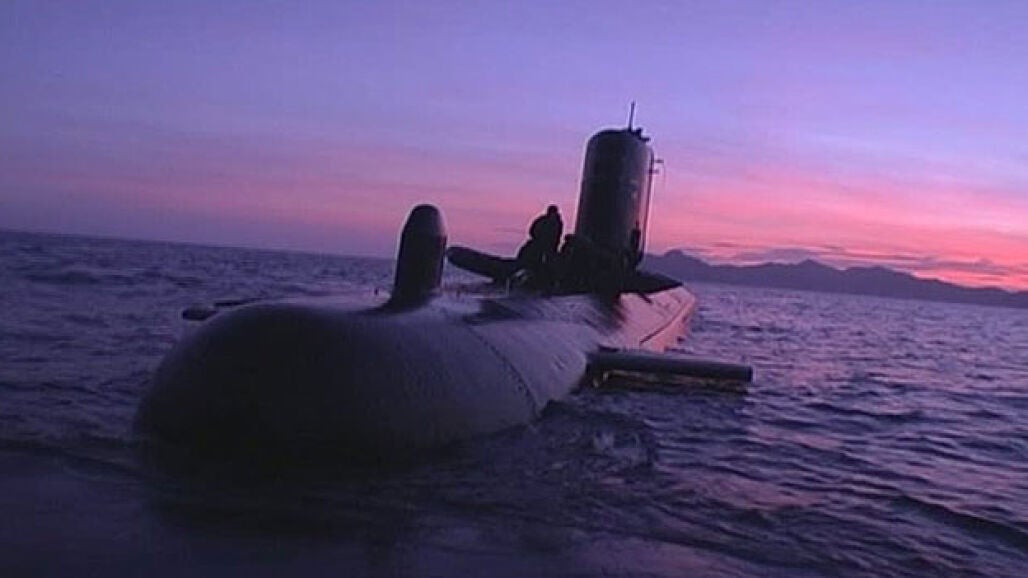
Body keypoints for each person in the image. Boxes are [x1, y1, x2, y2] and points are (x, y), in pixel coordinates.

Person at [515, 205, 563, 288]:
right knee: (538, 259)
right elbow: (532, 230)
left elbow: (557, 234)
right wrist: (538, 238)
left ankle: (548, 277)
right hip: (541, 244)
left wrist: (553, 242)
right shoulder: (544, 220)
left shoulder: (556, 222)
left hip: (549, 245)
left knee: (549, 260)